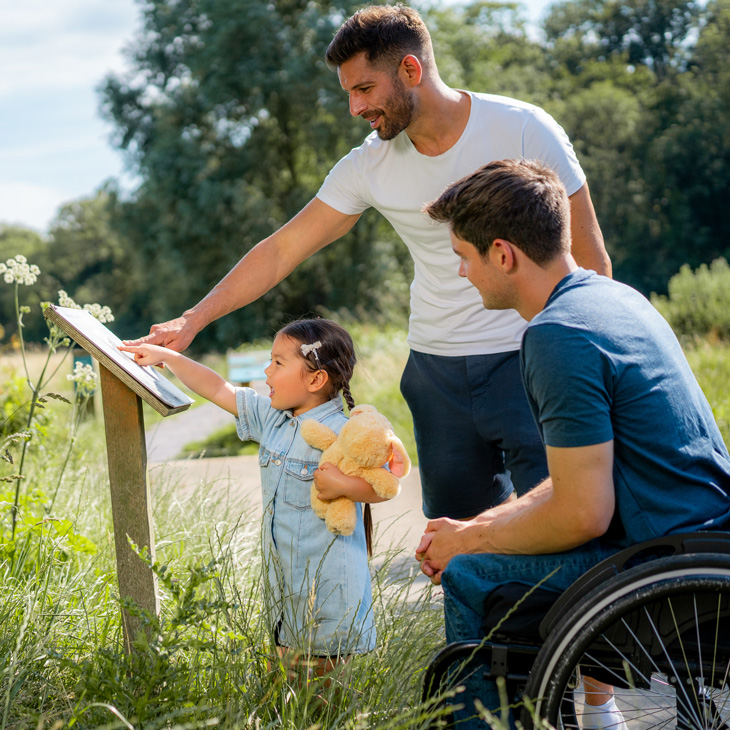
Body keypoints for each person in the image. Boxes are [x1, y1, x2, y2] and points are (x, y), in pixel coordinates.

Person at [128, 4, 612, 522]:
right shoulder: (369, 164)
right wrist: (193, 319)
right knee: (459, 543)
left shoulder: (523, 129)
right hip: (438, 370)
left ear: (410, 70)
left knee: (561, 523)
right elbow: (281, 250)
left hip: (530, 355)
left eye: (364, 90)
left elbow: (592, 264)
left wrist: (592, 364)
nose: (355, 108)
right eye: (349, 94)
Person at [415, 158, 730, 728]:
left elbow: (583, 513)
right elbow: (577, 478)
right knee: (479, 550)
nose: (462, 273)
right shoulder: (614, 299)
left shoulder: (556, 336)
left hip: (666, 571)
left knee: (469, 578)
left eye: (464, 256)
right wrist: (476, 527)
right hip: (704, 543)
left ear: (503, 254)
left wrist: (471, 546)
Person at [121, 318, 387, 672]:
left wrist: (342, 486)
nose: (267, 371)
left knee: (324, 696)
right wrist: (165, 358)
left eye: (278, 363)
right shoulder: (273, 420)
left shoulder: (346, 433)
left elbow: (384, 483)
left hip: (329, 593)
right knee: (288, 688)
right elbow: (218, 389)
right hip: (285, 590)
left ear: (315, 379)